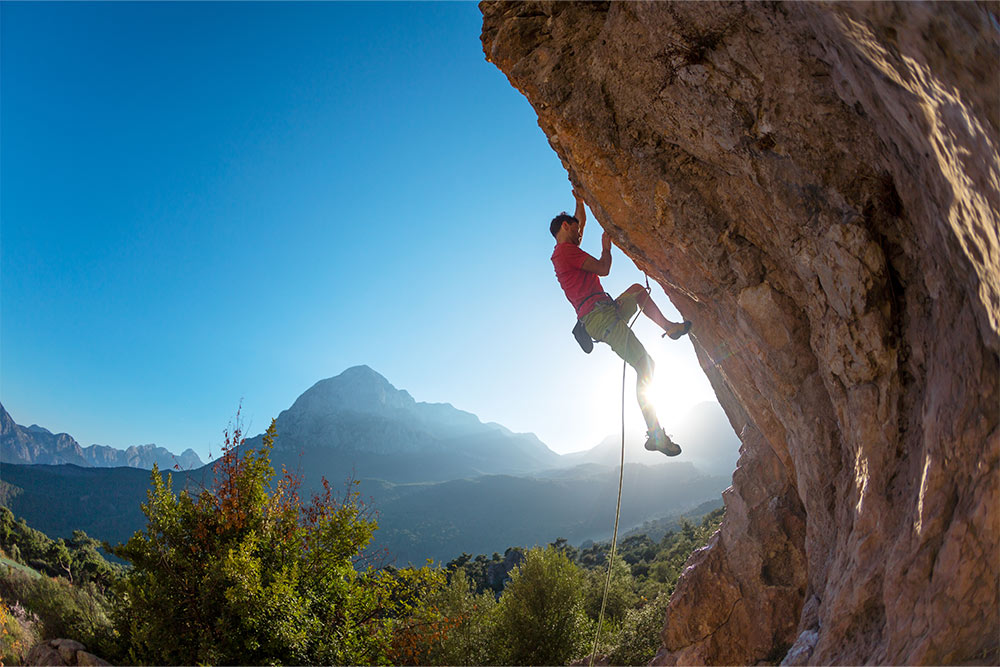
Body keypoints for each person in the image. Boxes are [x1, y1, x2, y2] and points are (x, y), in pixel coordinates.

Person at [550, 189, 691, 456]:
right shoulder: (564, 253)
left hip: (604, 310)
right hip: (600, 317)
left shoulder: (566, 249)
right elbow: (604, 269)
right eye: (577, 230)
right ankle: (656, 435)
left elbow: (581, 221)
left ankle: (669, 328)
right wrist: (606, 248)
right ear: (565, 227)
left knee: (638, 290)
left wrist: (579, 201)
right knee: (645, 364)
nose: (581, 235)